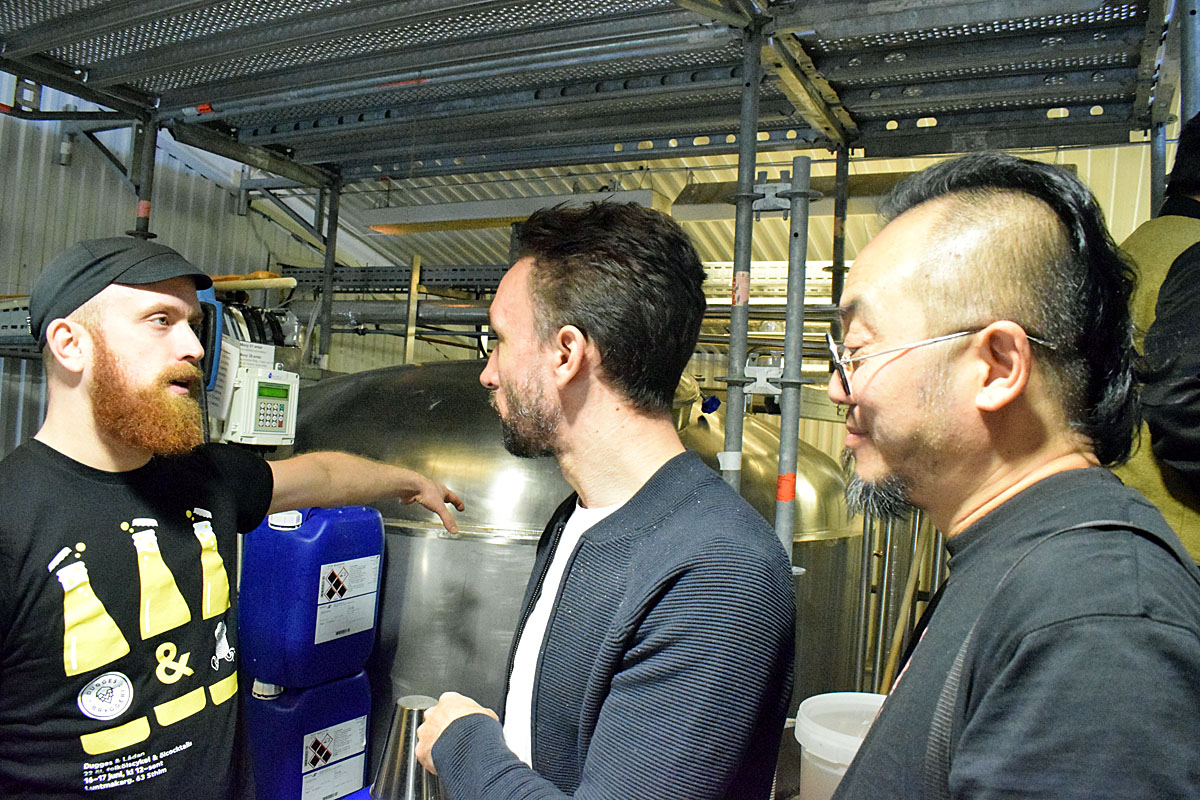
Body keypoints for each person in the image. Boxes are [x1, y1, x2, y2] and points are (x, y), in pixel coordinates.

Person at [0, 237, 464, 799]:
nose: (194, 347)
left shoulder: (204, 478)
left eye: (193, 325)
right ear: (70, 344)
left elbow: (321, 476)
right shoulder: (12, 518)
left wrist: (410, 482)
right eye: (160, 320)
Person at [825, 153, 1200, 798]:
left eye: (856, 351)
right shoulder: (1018, 565)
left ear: (998, 366)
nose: (838, 388)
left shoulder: (1096, 624)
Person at [413, 203, 796, 799]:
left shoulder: (718, 573)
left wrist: (465, 744)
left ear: (566, 354)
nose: (488, 373)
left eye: (500, 341)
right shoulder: (574, 519)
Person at [1114, 111, 1200, 560]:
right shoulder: (1196, 254)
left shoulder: (1137, 246)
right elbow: (1181, 402)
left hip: (1127, 521)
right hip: (1183, 539)